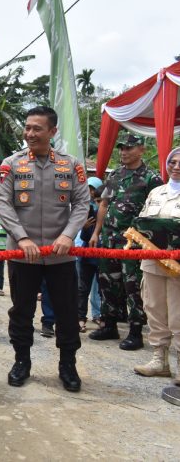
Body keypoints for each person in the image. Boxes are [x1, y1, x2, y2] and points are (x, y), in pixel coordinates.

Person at [0, 106, 90, 392]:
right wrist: (22, 238)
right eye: (27, 127)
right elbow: (2, 204)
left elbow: (82, 204)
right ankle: (21, 361)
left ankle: (68, 365)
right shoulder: (11, 164)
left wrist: (68, 236)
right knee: (21, 311)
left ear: (52, 131)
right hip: (23, 256)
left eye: (37, 128)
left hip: (61, 256)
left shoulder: (71, 165)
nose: (30, 133)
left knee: (67, 312)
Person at [89, 134, 163, 350]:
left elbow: (154, 213)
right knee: (107, 282)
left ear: (141, 150)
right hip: (109, 239)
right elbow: (104, 204)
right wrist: (96, 233)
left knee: (132, 287)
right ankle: (109, 324)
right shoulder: (116, 175)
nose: (123, 152)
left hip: (134, 242)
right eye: (121, 148)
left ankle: (135, 331)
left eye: (129, 148)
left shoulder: (151, 178)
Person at [133, 147, 180, 385]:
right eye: (173, 161)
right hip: (152, 260)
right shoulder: (156, 192)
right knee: (154, 309)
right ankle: (159, 359)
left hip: (178, 265)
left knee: (178, 313)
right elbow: (143, 222)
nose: (176, 166)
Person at [75, 176, 103, 332]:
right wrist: (85, 227)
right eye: (90, 190)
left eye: (101, 201)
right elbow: (85, 237)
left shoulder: (110, 215)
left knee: (101, 289)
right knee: (82, 288)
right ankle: (80, 318)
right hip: (85, 256)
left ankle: (100, 316)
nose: (98, 204)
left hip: (103, 257)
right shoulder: (86, 208)